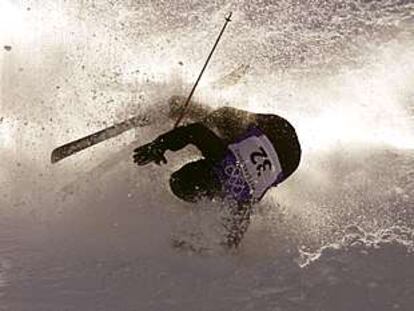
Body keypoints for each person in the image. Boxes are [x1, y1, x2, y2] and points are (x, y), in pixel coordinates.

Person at [133, 97, 301, 248]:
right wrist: (158, 145)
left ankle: (203, 122)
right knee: (224, 116)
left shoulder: (241, 200)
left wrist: (195, 245)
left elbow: (233, 238)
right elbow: (195, 131)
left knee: (227, 139)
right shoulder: (222, 163)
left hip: (290, 162)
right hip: (278, 132)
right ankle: (196, 112)